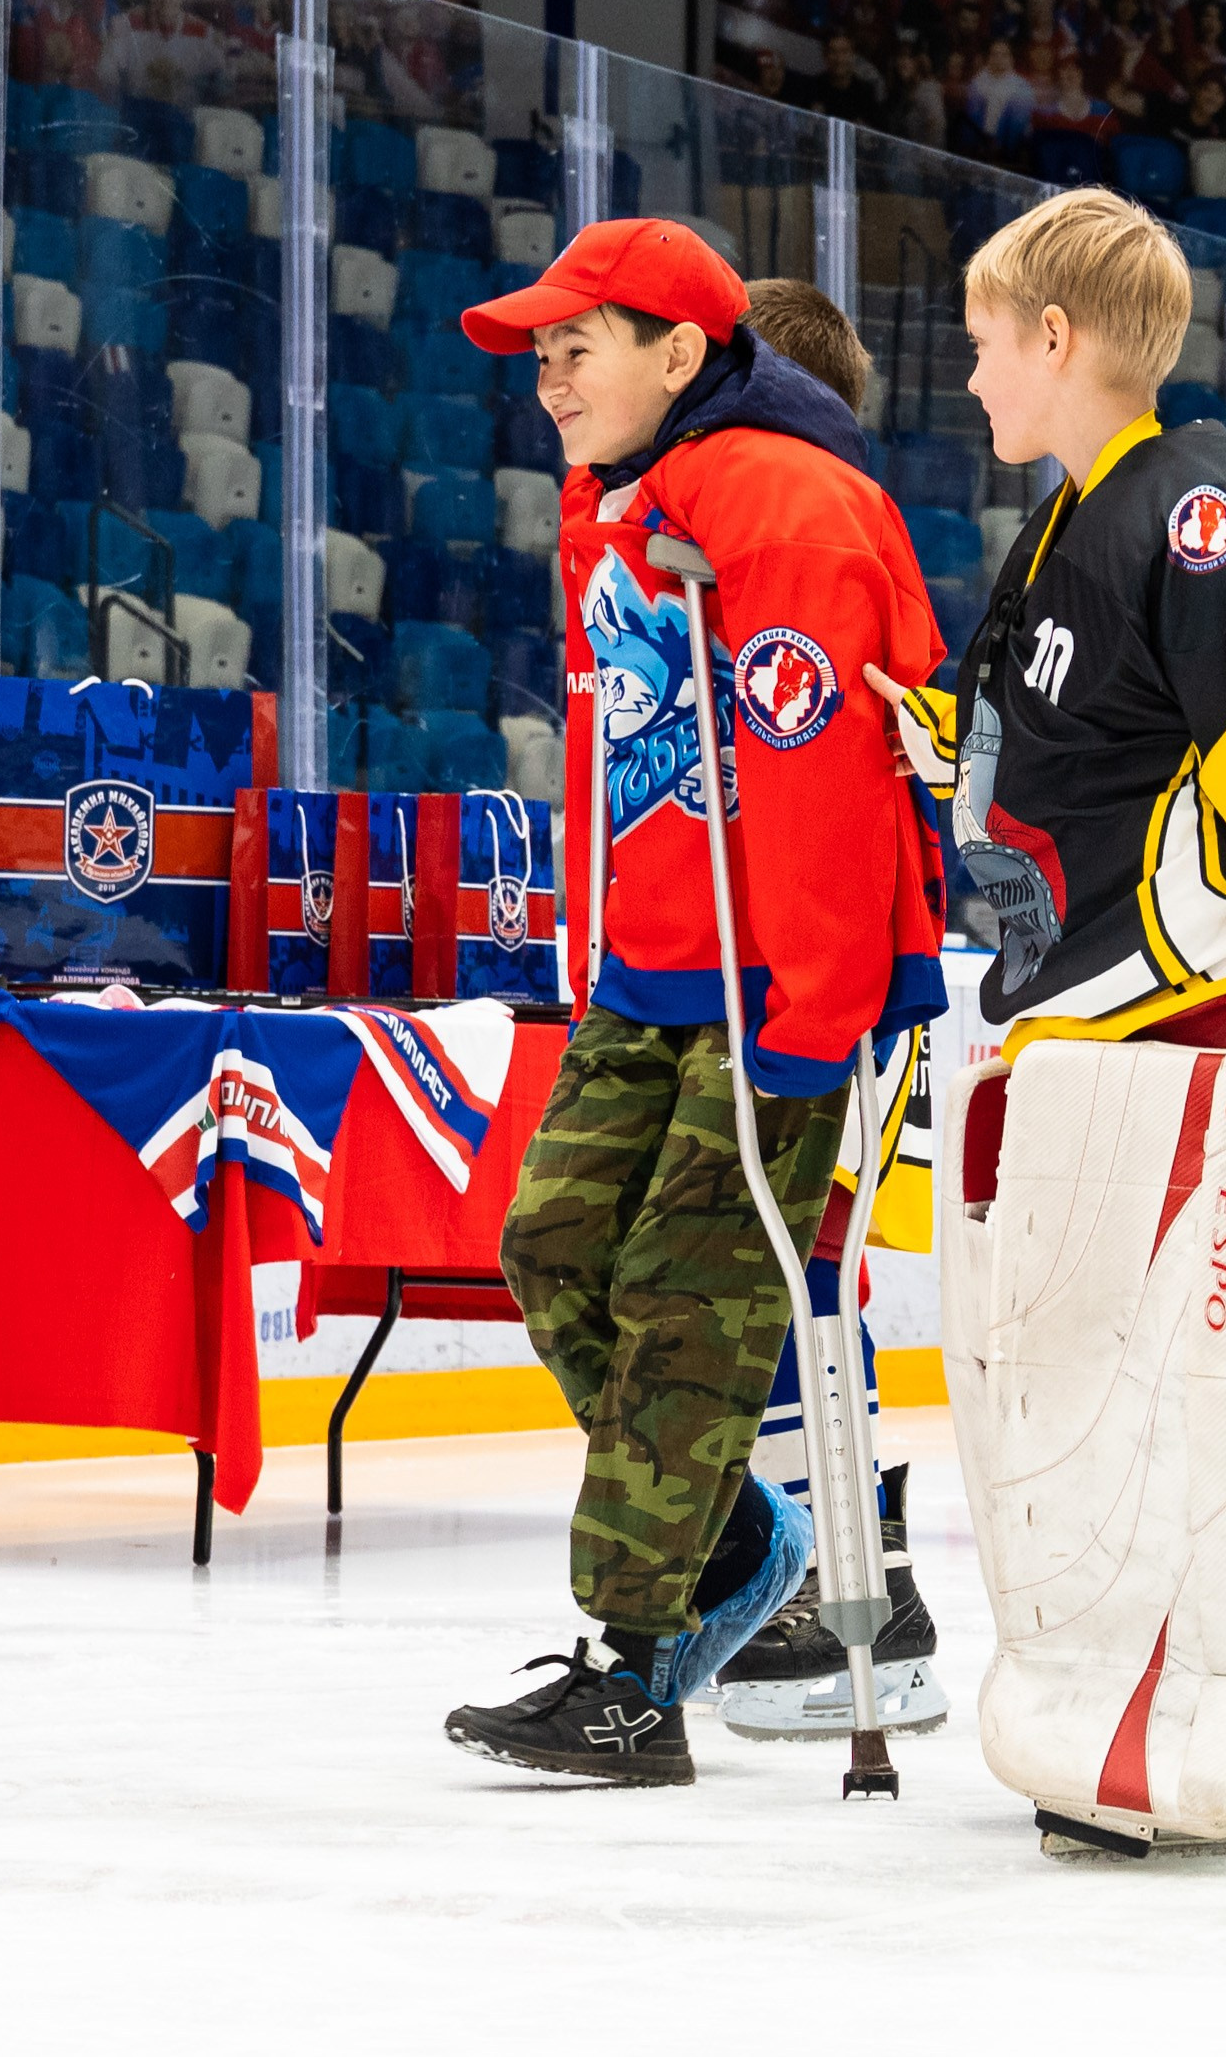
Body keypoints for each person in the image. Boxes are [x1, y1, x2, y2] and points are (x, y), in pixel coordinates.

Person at [444, 220, 950, 1785]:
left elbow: (824, 786)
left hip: (782, 981)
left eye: (574, 350)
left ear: (682, 352)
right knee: (552, 1249)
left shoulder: (785, 508)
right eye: (538, 355)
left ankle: (632, 1675)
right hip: (654, 968)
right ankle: (735, 1544)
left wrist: (813, 1018)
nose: (546, 384)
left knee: (686, 1299)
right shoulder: (620, 504)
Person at [868, 183, 1226, 1321]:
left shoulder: (1181, 509)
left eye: (982, 345)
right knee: (1081, 1365)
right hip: (1112, 1019)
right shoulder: (1067, 523)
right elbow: (1083, 742)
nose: (969, 378)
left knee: (1141, 1370)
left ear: (1053, 336)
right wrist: (925, 734)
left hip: (1203, 1005)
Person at [711, 276, 948, 1741]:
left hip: (829, 971)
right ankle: (860, 1565)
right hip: (844, 966)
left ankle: (830, 1588)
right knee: (805, 1266)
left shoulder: (806, 542)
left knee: (799, 1261)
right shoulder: (815, 531)